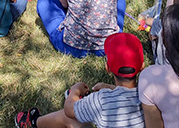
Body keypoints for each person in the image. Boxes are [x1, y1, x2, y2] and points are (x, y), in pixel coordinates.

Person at [14, 32, 145, 128]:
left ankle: (32, 123)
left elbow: (69, 110)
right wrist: (111, 88)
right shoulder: (149, 95)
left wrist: (75, 91)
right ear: (142, 67)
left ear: (108, 68)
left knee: (69, 118)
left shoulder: (102, 99)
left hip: (80, 107)